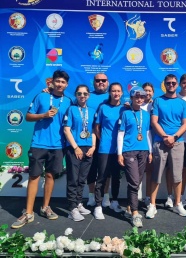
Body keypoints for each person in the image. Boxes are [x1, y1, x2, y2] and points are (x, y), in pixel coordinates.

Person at [11, 70, 72, 229]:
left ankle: (45, 207)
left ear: (67, 84)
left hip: (58, 145)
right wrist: (44, 115)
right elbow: (28, 116)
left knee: (51, 176)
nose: (60, 84)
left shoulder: (69, 101)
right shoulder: (41, 96)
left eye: (63, 82)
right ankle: (29, 213)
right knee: (34, 176)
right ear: (53, 82)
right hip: (39, 144)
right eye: (57, 81)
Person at [146, 74, 186, 219]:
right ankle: (152, 205)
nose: (171, 85)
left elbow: (185, 124)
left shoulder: (183, 103)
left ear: (177, 85)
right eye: (168, 83)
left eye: (173, 83)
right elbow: (154, 121)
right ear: (164, 84)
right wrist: (165, 137)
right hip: (160, 142)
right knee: (156, 174)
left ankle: (177, 204)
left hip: (178, 142)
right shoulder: (158, 101)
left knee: (177, 175)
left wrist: (174, 137)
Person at [117, 88, 152, 227]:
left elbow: (148, 133)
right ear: (131, 98)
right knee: (134, 181)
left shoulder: (146, 115)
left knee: (136, 182)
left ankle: (130, 207)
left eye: (142, 97)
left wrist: (150, 151)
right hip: (129, 150)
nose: (139, 99)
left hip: (143, 150)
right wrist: (119, 153)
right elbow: (121, 134)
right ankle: (136, 213)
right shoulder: (125, 114)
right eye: (136, 97)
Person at [165, 74, 186, 208]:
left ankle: (181, 197)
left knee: (183, 169)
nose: (185, 85)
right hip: (171, 139)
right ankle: (169, 196)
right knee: (169, 168)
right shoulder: (173, 97)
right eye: (183, 83)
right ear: (180, 84)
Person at [63, 85, 96, 221]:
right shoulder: (71, 109)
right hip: (74, 148)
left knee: (82, 179)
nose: (82, 96)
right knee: (73, 178)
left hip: (88, 148)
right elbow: (66, 130)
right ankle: (72, 208)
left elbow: (94, 131)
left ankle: (78, 203)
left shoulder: (92, 111)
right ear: (76, 95)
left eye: (85, 93)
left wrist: (93, 146)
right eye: (79, 93)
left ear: (88, 95)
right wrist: (76, 147)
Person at [93, 82, 126, 220]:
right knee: (101, 177)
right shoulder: (103, 107)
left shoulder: (125, 109)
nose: (116, 93)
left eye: (118, 91)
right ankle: (98, 206)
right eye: (113, 91)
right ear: (110, 92)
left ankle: (114, 202)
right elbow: (96, 127)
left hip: (119, 150)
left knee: (116, 177)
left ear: (122, 93)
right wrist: (104, 140)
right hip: (105, 149)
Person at [86, 73, 111, 208]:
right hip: (88, 141)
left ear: (108, 82)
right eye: (98, 80)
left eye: (103, 80)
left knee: (105, 170)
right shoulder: (87, 95)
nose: (101, 82)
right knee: (91, 169)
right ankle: (91, 196)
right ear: (93, 82)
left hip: (106, 141)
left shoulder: (112, 96)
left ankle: (105, 197)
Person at [141, 82, 155, 207]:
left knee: (150, 171)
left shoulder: (156, 105)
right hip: (139, 142)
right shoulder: (136, 105)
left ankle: (148, 196)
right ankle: (134, 198)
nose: (147, 93)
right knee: (138, 171)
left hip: (153, 141)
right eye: (145, 90)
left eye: (150, 90)